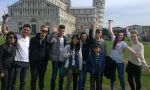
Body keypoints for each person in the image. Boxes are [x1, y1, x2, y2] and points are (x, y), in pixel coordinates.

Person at [1, 14, 31, 90]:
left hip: (26, 63)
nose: (26, 31)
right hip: (18, 63)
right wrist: (4, 21)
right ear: (22, 29)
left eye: (27, 30)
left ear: (29, 31)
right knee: (14, 82)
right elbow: (4, 32)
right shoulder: (16, 37)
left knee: (23, 82)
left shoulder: (29, 39)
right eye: (24, 29)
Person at [108, 20, 137, 90]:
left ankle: (123, 88)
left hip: (120, 63)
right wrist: (110, 23)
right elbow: (110, 31)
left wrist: (135, 53)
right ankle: (112, 88)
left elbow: (128, 48)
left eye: (122, 35)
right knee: (112, 77)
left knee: (121, 77)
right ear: (117, 35)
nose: (120, 36)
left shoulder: (123, 43)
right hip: (112, 62)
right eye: (119, 35)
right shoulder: (114, 39)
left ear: (123, 36)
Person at [29, 25, 50, 90]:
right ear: (40, 30)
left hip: (43, 63)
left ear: (47, 32)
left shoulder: (48, 41)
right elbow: (30, 49)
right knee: (34, 78)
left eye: (46, 31)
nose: (44, 32)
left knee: (41, 78)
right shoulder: (33, 39)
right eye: (43, 30)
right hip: (34, 63)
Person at [89, 24, 108, 90]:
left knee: (99, 82)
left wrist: (105, 64)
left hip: (101, 63)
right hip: (93, 62)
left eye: (99, 32)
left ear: (101, 34)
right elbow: (90, 37)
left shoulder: (103, 42)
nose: (97, 33)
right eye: (96, 32)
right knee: (92, 83)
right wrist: (91, 29)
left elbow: (106, 52)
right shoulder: (93, 40)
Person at [50, 25, 68, 90]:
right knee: (54, 76)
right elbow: (49, 41)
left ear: (64, 31)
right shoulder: (55, 37)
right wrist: (53, 33)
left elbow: (67, 47)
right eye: (60, 30)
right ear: (58, 30)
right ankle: (52, 88)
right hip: (55, 59)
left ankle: (60, 88)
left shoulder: (65, 38)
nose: (61, 32)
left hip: (62, 60)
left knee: (61, 76)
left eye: (63, 31)